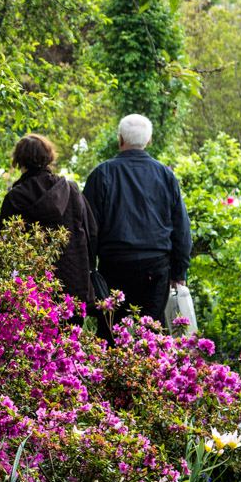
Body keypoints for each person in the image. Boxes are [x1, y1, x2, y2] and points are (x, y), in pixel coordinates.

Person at [82, 114, 192, 328]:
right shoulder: (165, 175)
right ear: (148, 141)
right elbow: (181, 228)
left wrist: (88, 270)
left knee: (112, 331)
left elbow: (88, 229)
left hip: (114, 266)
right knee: (151, 332)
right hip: (155, 267)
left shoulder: (102, 174)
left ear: (120, 139)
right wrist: (179, 272)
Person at [0, 134, 97, 305]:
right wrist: (88, 269)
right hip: (73, 282)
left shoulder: (15, 198)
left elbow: (2, 243)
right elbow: (91, 232)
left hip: (32, 288)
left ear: (19, 160)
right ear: (49, 157)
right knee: (71, 330)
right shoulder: (70, 190)